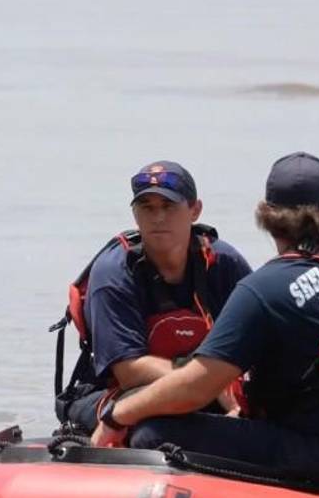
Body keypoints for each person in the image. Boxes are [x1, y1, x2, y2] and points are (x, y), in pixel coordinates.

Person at [90, 152, 319, 498]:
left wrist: (118, 416)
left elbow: (195, 388)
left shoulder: (266, 286)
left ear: (266, 216)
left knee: (151, 432)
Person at [53, 160, 252, 433]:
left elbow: (257, 344)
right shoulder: (114, 274)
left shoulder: (223, 263)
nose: (158, 217)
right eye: (147, 208)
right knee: (153, 427)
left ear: (195, 210)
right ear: (135, 214)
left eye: (169, 206)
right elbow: (130, 371)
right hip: (121, 392)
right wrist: (209, 382)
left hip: (208, 387)